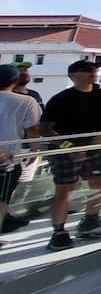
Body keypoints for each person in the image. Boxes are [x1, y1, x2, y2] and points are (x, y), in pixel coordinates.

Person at [40, 60, 101, 251]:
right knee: (65, 189)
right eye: (87, 70)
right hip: (66, 149)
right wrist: (69, 147)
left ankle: (90, 221)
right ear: (73, 75)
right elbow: (46, 128)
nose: (93, 72)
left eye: (94, 69)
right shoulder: (61, 99)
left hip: (95, 146)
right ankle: (58, 232)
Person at [0, 64, 41, 249]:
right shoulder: (26, 101)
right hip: (8, 158)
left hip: (7, 157)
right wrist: (35, 150)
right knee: (2, 199)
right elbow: (32, 130)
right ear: (15, 81)